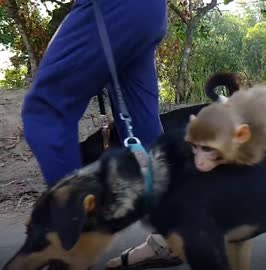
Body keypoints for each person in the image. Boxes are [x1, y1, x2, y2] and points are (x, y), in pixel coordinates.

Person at [22, 0, 182, 269]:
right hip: (149, 11)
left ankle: (73, 245)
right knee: (140, 122)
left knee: (45, 110)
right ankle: (174, 234)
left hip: (110, 7)